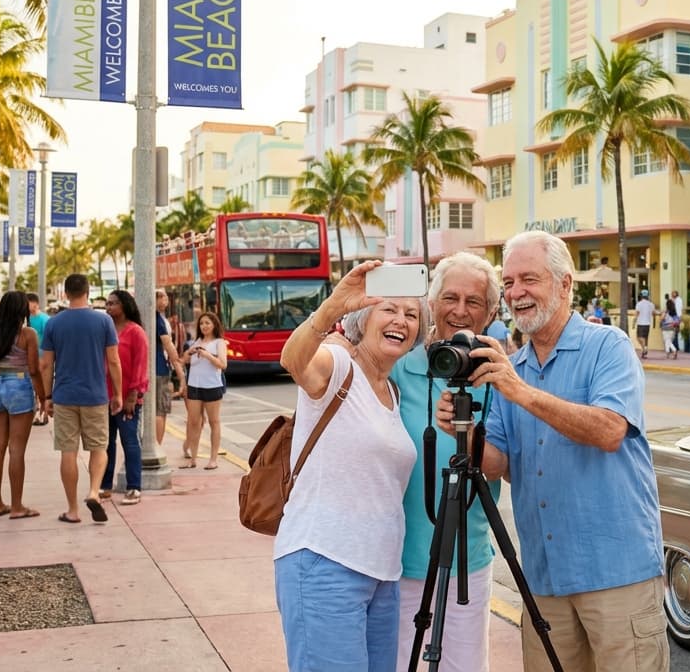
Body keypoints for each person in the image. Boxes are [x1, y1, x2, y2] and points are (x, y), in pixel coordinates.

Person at [437, 231, 667, 672]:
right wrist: (461, 433)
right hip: (543, 579)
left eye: (529, 279)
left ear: (565, 285)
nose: (516, 293)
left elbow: (609, 430)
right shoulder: (510, 369)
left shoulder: (608, 347)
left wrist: (519, 392)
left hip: (617, 575)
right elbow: (500, 464)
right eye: (508, 283)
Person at [276, 261, 423, 672]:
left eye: (412, 315)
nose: (401, 321)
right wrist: (332, 309)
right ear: (363, 317)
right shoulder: (338, 366)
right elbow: (293, 359)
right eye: (389, 309)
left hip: (381, 573)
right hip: (325, 560)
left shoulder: (393, 392)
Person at [392, 252, 504, 672]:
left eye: (473, 301)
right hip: (397, 557)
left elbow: (500, 467)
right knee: (400, 663)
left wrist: (468, 433)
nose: (460, 311)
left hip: (466, 559)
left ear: (491, 311)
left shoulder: (498, 375)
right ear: (432, 302)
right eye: (450, 298)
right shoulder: (398, 364)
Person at [40, 274, 121, 524]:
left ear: (65, 293)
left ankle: (73, 510)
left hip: (64, 396)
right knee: (99, 447)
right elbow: (114, 361)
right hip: (95, 395)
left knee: (68, 451)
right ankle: (94, 492)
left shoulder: (54, 323)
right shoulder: (104, 321)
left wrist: (47, 396)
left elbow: (45, 365)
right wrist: (117, 392)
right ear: (87, 292)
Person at [0, 291, 44, 519]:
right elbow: (34, 370)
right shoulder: (28, 334)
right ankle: (17, 507)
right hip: (19, 386)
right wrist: (43, 398)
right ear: (21, 310)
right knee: (17, 450)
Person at [99, 290, 148, 506]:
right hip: (105, 397)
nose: (108, 307)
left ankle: (134, 487)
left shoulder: (136, 332)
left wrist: (133, 395)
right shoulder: (105, 330)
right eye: (107, 304)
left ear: (124, 306)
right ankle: (105, 486)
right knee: (106, 443)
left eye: (113, 304)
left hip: (128, 398)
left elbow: (141, 365)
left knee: (130, 442)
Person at [180, 311, 228, 470]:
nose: (204, 326)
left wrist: (207, 355)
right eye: (202, 323)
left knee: (214, 422)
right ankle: (193, 458)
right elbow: (183, 361)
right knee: (194, 422)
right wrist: (189, 352)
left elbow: (222, 364)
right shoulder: (196, 342)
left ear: (214, 324)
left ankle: (213, 459)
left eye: (208, 323)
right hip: (194, 386)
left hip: (212, 386)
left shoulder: (219, 342)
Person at [154, 289, 187, 446]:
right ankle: (156, 448)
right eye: (161, 297)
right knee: (160, 411)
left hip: (152, 369)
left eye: (166, 297)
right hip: (159, 370)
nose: (165, 300)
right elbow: (169, 346)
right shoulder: (157, 320)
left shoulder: (154, 318)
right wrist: (180, 373)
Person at [27, 292, 50, 426]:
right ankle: (35, 413)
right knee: (33, 387)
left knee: (42, 387)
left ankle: (43, 414)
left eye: (28, 303)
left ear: (35, 304)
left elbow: (48, 341)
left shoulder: (44, 319)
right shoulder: (26, 318)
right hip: (29, 357)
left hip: (41, 357)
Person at [634, 289, 655, 359]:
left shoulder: (639, 304)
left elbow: (637, 314)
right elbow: (653, 314)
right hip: (648, 323)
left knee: (638, 337)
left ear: (641, 296)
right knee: (645, 337)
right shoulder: (651, 304)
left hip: (640, 323)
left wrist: (634, 322)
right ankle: (645, 349)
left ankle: (644, 348)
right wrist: (654, 323)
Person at [661, 295, 680, 359]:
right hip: (672, 328)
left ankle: (674, 350)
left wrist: (663, 314)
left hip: (665, 328)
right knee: (668, 341)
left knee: (667, 341)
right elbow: (677, 321)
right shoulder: (674, 313)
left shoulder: (665, 311)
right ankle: (667, 353)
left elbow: (662, 319)